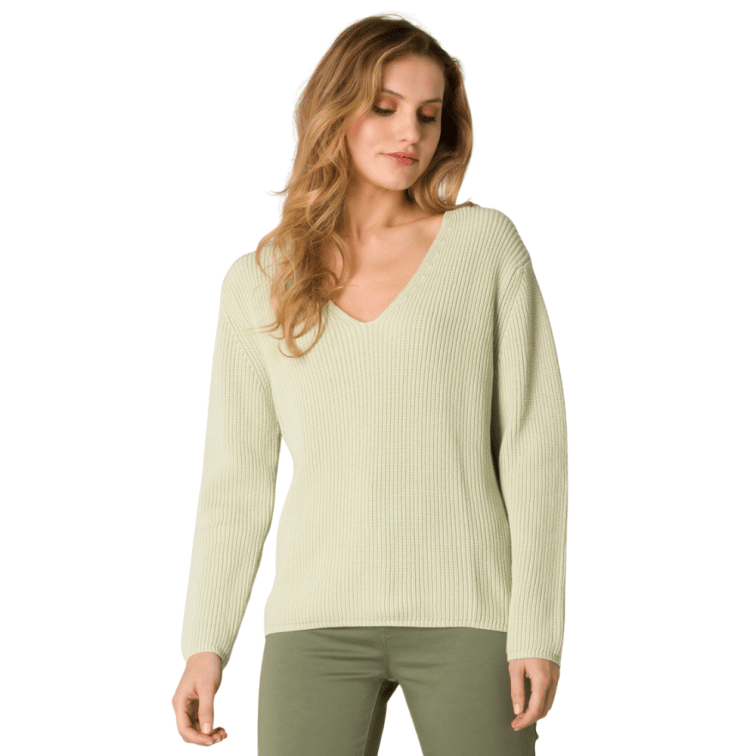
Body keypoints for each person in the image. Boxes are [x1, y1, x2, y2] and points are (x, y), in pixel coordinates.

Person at [172, 13, 568, 755]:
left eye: (428, 114)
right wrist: (205, 643)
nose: (409, 133)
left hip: (471, 614)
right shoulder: (258, 281)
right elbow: (236, 480)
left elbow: (532, 449)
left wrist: (538, 629)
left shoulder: (484, 247)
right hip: (314, 623)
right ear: (336, 110)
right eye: (384, 107)